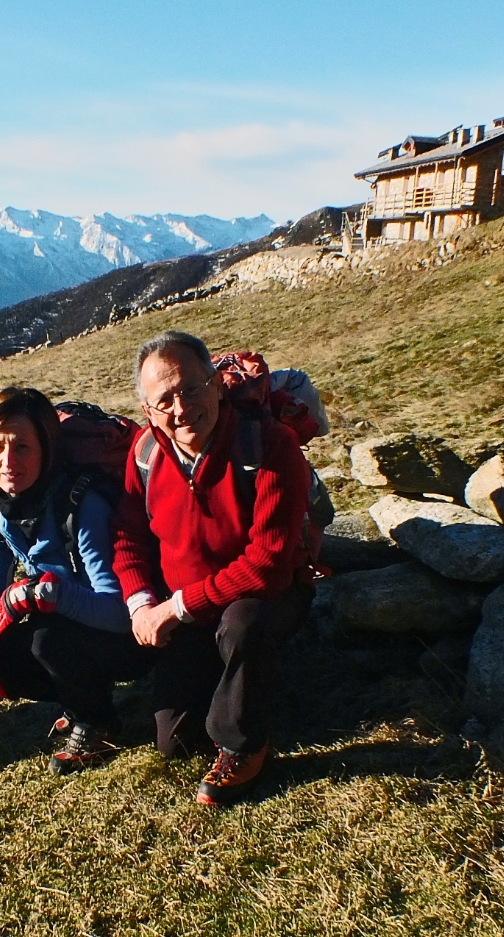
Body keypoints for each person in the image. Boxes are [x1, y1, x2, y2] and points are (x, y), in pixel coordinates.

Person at [113, 331, 313, 806]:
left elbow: (268, 565)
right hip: (191, 612)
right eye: (164, 400)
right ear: (147, 410)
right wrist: (142, 603)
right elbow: (127, 538)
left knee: (244, 623)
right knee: (175, 741)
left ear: (217, 385)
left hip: (265, 597)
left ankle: (243, 745)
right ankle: (242, 685)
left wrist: (175, 608)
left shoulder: (268, 445)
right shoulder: (145, 454)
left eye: (190, 389)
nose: (180, 409)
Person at [0, 387, 152, 775]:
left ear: (47, 449)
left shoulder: (81, 504)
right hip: (76, 627)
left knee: (45, 640)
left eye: (22, 447)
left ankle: (96, 722)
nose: (7, 462)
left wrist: (48, 594)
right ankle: (78, 701)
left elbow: (121, 612)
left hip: (133, 640)